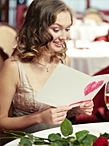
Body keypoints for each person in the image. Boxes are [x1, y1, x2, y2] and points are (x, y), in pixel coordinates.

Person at [0, 0, 93, 135]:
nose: (64, 36)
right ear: (36, 28)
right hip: (24, 141)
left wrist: (77, 109)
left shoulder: (63, 61)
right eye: (56, 29)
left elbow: (61, 112)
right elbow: (2, 122)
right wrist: (39, 117)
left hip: (57, 139)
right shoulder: (13, 67)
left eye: (67, 29)